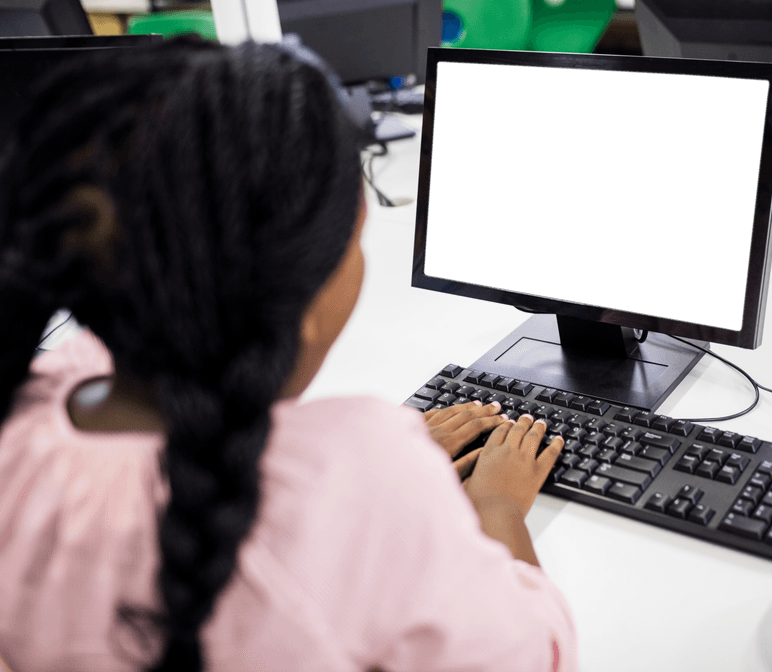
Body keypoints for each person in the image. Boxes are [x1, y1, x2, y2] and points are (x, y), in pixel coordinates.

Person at [0, 37, 574, 672]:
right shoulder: (369, 480)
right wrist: (494, 503)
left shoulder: (33, 408)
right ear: (298, 301)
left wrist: (352, 479)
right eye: (354, 239)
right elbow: (534, 658)